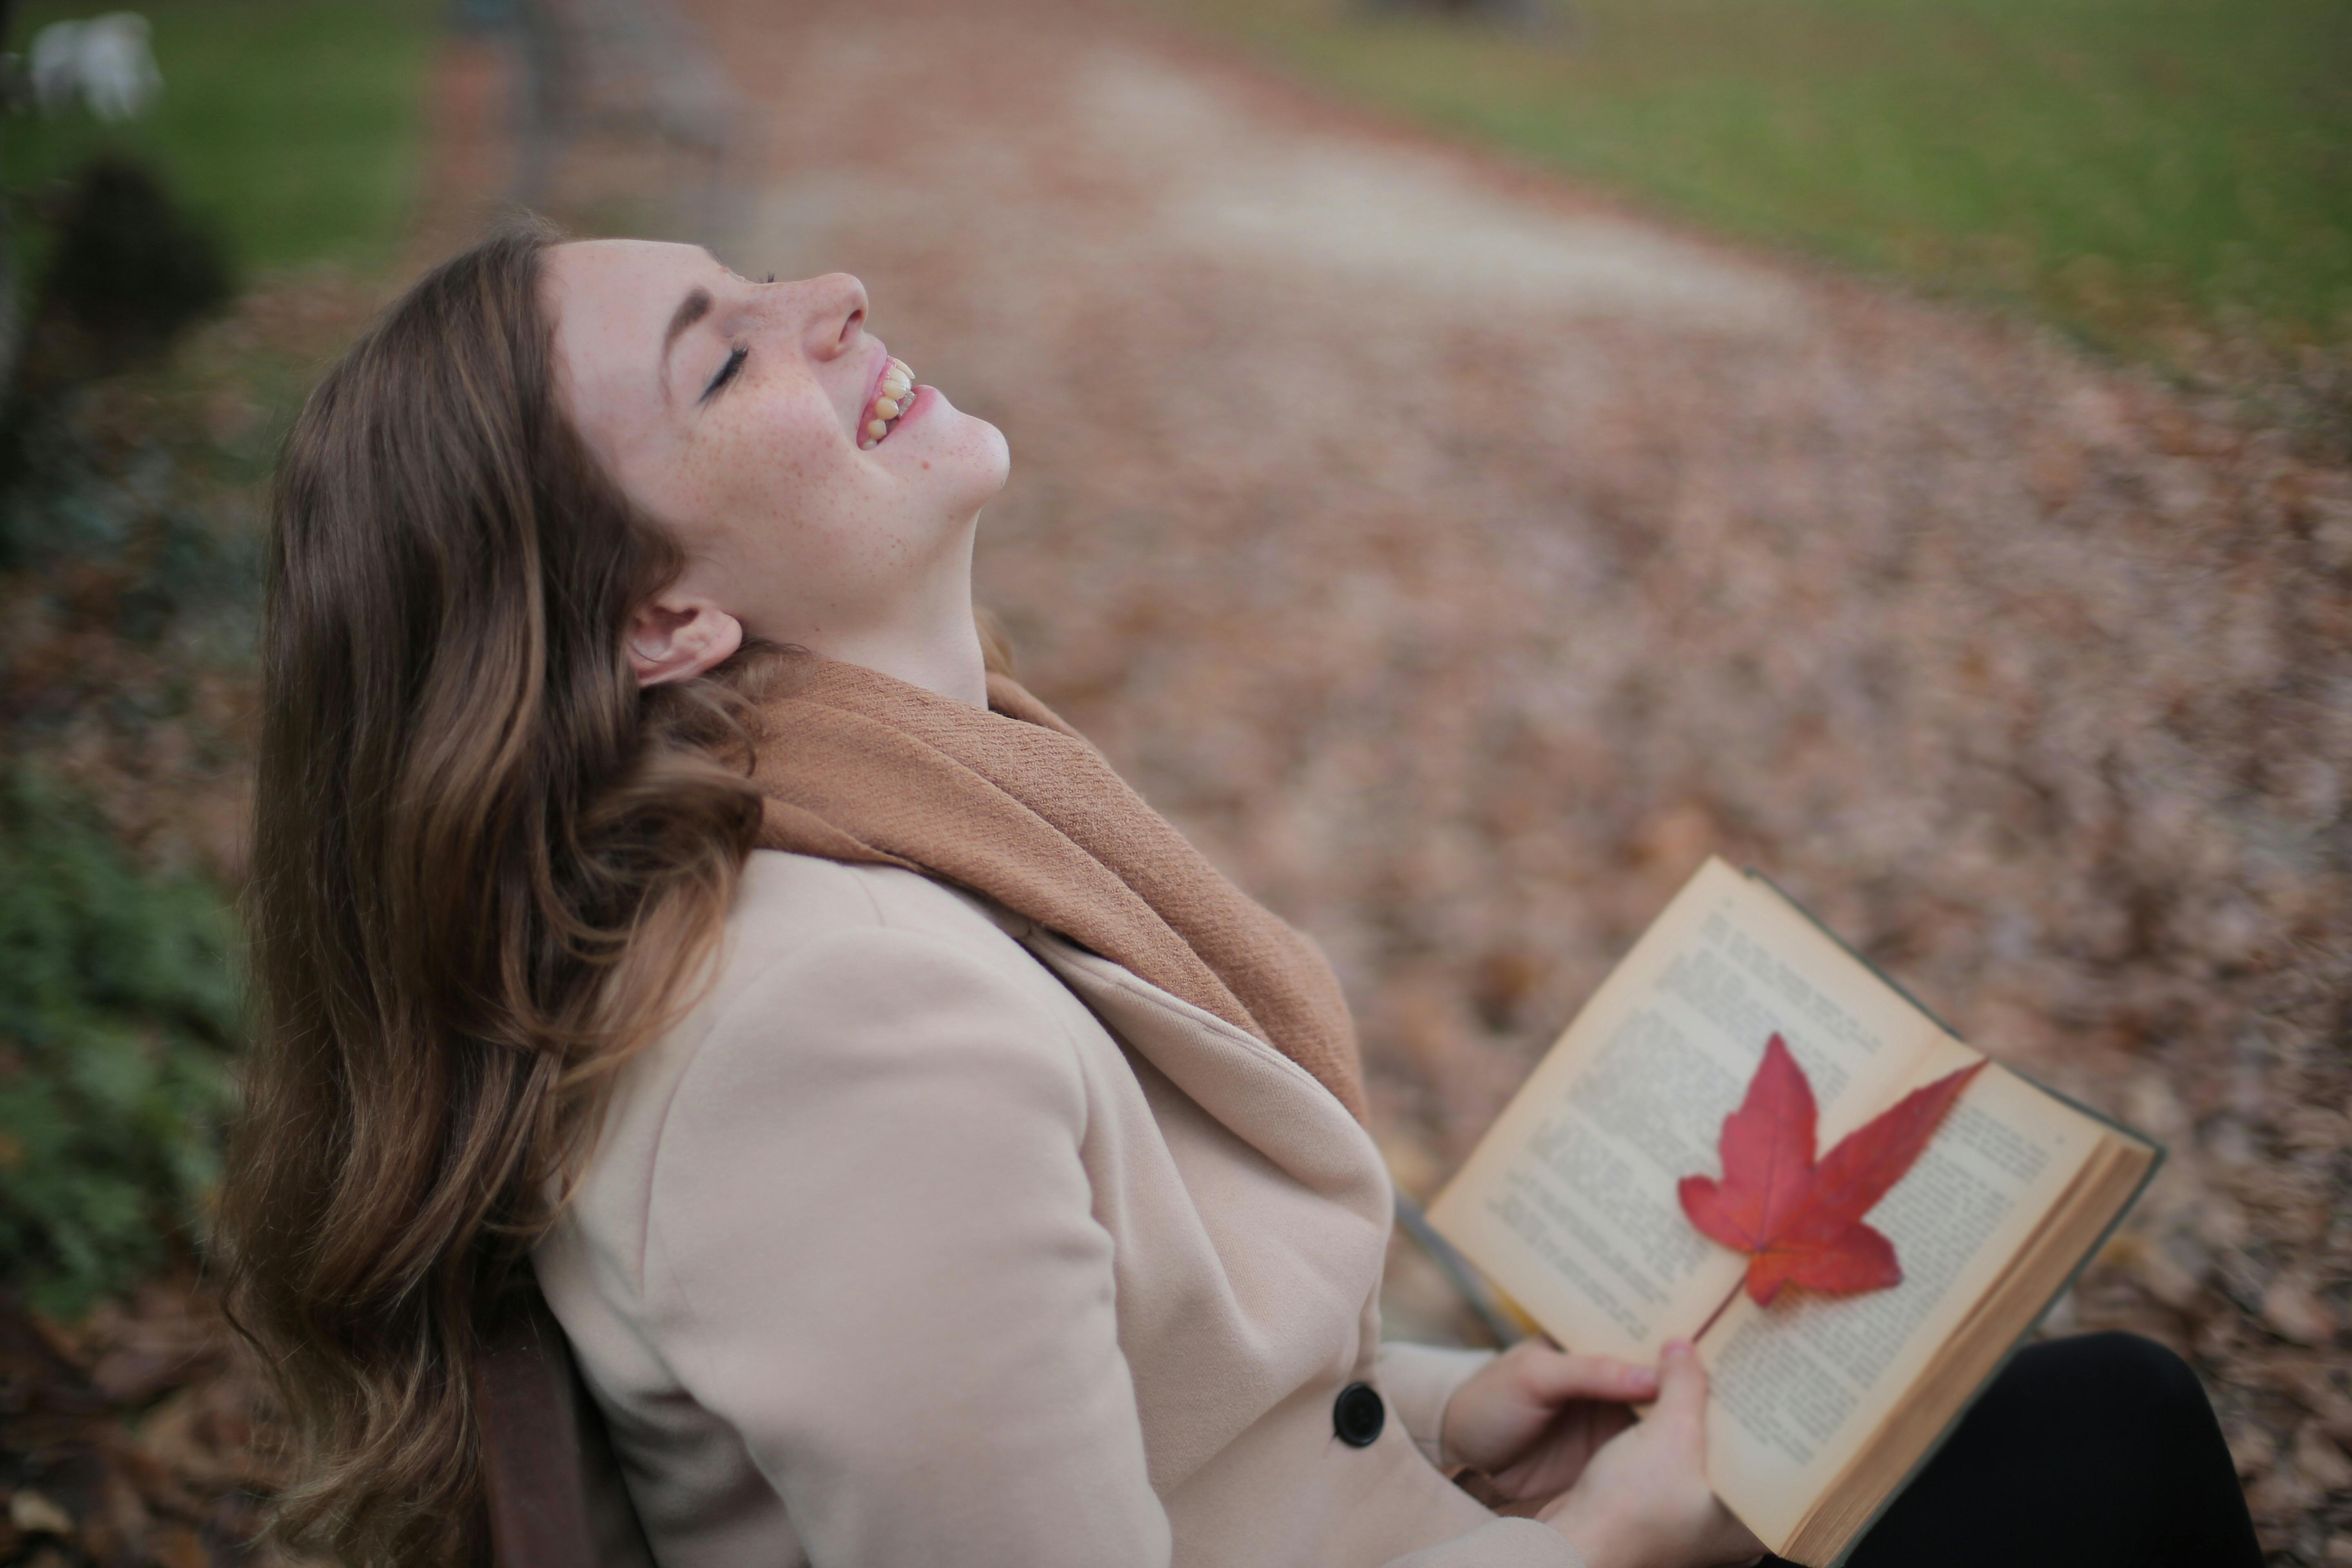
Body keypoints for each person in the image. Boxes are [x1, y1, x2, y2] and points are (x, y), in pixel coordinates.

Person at [219, 221, 2264, 1568]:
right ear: (665, 614)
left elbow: (1113, 1412)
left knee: (2085, 1428)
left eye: (758, 281)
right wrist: (1606, 1551)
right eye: (722, 357)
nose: (825, 292)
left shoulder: (895, 825)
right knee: (2119, 1449)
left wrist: (1465, 1412)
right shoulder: (824, 1029)